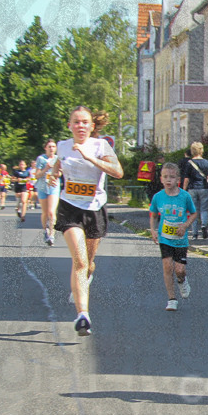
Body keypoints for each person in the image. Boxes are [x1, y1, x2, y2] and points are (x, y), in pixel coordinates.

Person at [48, 106, 124, 336]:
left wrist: (90, 157)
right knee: (79, 261)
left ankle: (87, 277)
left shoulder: (101, 146)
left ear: (92, 126)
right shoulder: (62, 146)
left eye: (84, 122)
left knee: (89, 263)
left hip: (94, 209)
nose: (80, 126)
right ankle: (83, 315)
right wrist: (53, 174)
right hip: (69, 208)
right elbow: (59, 163)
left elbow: (118, 172)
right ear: (69, 125)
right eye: (76, 122)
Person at [149, 162, 197, 311]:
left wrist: (185, 225)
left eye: (172, 177)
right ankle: (172, 299)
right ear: (161, 179)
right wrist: (153, 230)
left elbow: (194, 213)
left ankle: (182, 281)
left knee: (179, 270)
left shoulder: (185, 196)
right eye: (165, 177)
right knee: (167, 266)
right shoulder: (158, 197)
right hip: (165, 238)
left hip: (181, 240)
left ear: (178, 179)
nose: (168, 180)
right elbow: (153, 214)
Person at [181, 142, 208, 240]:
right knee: (204, 209)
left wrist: (183, 191)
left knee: (193, 211)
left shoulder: (189, 163)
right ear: (201, 150)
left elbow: (186, 179)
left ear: (192, 151)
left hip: (192, 188)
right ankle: (204, 225)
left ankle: (195, 233)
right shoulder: (206, 162)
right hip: (204, 188)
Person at [34, 140, 61, 246]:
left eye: (53, 146)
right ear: (45, 148)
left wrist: (56, 174)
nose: (51, 149)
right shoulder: (41, 159)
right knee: (45, 213)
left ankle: (51, 234)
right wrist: (47, 168)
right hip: (42, 187)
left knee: (51, 212)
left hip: (54, 187)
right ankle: (45, 230)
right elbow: (37, 175)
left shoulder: (57, 158)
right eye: (49, 146)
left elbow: (60, 172)